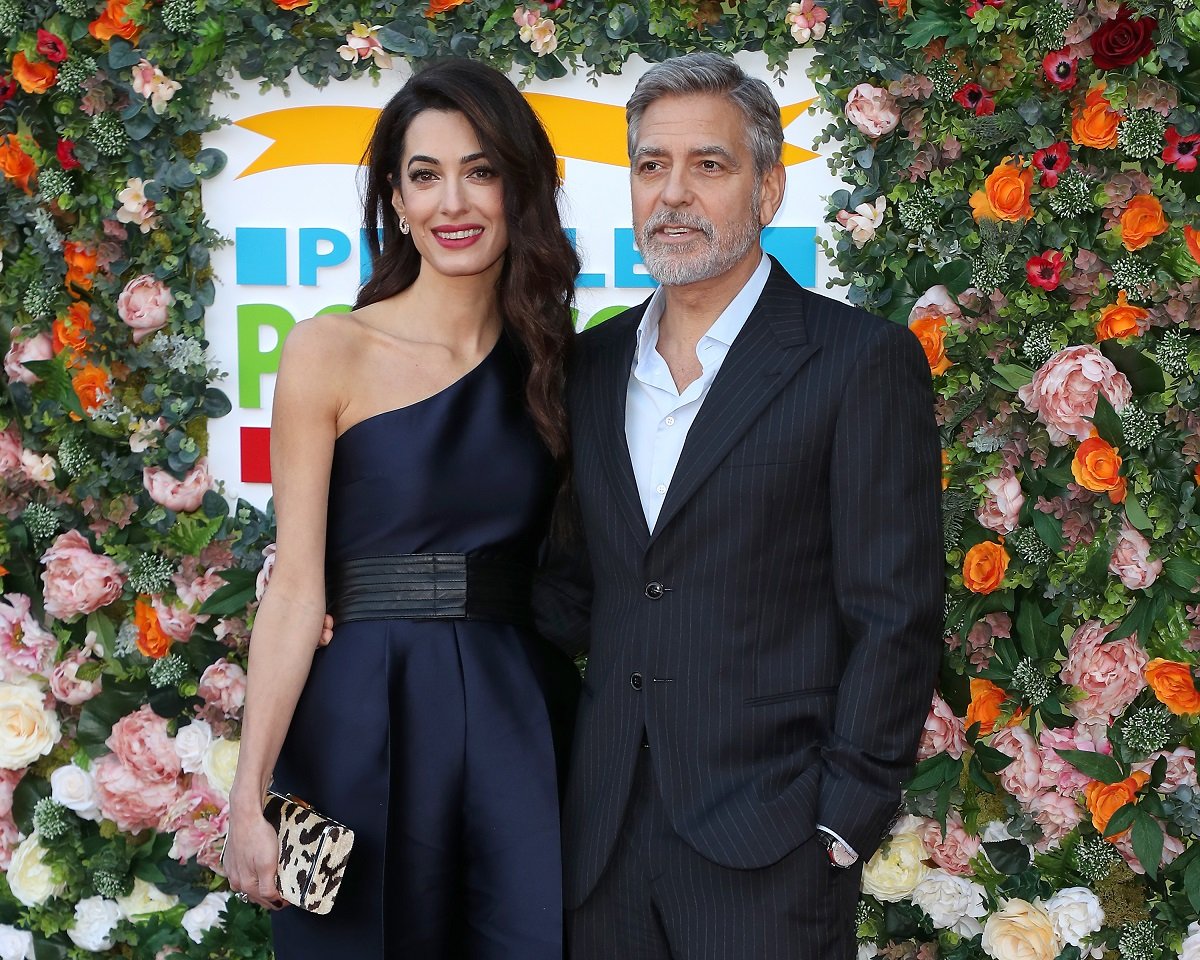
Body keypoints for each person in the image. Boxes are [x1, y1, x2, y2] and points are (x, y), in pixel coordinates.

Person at [534, 52, 944, 960]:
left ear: (768, 190)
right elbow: (568, 592)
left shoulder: (855, 361)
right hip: (597, 845)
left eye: (708, 165)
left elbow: (894, 613)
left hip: (771, 845)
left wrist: (843, 820)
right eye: (651, 165)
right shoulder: (591, 367)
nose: (672, 193)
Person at [224, 58, 580, 960]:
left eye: (481, 170)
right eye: (425, 174)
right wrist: (248, 793)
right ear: (395, 193)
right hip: (360, 717)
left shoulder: (566, 366)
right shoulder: (325, 352)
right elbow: (297, 587)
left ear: (520, 186)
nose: (452, 202)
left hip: (520, 718)